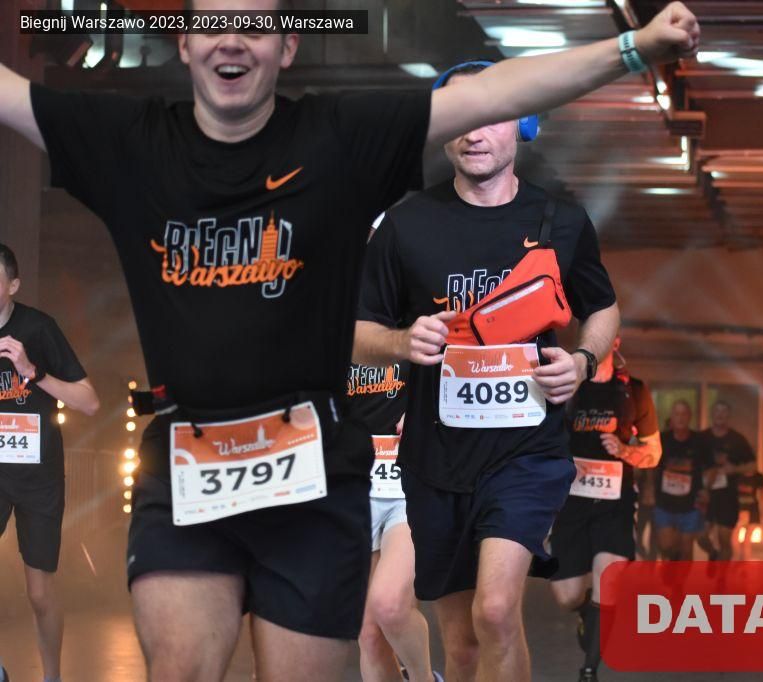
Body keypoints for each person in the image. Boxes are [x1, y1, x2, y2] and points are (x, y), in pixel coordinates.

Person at [0, 0, 700, 675]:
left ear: (288, 46)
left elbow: (497, 92)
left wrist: (634, 46)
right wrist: (402, 342)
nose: (232, 39)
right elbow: (13, 96)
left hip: (320, 471)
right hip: (195, 459)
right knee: (186, 666)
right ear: (183, 42)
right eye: (212, 23)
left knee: (465, 620)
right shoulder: (133, 142)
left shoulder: (336, 137)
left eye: (253, 26)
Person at [353, 53, 625, 680]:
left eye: (492, 114)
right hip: (435, 459)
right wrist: (401, 341)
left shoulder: (560, 222)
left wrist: (583, 360)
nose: (474, 132)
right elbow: (357, 335)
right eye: (461, 116)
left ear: (523, 124)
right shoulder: (406, 225)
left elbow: (604, 308)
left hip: (525, 453)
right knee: (462, 642)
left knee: (497, 611)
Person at [0, 244, 100, 682]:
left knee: (39, 593)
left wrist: (32, 371)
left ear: (13, 286)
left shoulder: (38, 328)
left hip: (38, 476)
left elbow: (90, 403)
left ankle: (52, 677)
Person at [548, 339, 661, 682]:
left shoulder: (633, 390)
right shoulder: (566, 385)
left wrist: (625, 451)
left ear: (615, 340)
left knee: (607, 581)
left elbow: (653, 453)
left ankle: (589, 670)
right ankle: (589, 613)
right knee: (567, 596)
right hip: (571, 504)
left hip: (616, 503)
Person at [348, 360, 439, 682]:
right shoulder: (329, 334)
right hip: (354, 487)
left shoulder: (416, 330)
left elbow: (458, 366)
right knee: (369, 635)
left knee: (389, 606)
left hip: (408, 487)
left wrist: (428, 411)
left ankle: (424, 679)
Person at [699, 401, 756, 561]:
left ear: (729, 415)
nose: (720, 415)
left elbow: (753, 465)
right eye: (717, 411)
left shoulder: (737, 439)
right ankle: (713, 554)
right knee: (701, 536)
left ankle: (721, 574)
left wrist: (735, 469)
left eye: (724, 411)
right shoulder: (702, 438)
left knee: (725, 539)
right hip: (705, 495)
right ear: (712, 413)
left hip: (728, 496)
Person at [651, 400, 707, 561]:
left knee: (686, 550)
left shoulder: (699, 441)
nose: (680, 418)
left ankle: (680, 578)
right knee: (667, 547)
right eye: (677, 414)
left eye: (684, 414)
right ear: (672, 417)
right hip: (664, 503)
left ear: (690, 416)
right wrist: (649, 489)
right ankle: (670, 569)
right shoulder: (661, 439)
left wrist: (706, 490)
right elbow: (650, 466)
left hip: (691, 504)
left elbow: (710, 468)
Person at [734, 468, 763, 561]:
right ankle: (739, 557)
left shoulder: (758, 477)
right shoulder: (737, 475)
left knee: (746, 536)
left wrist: (762, 509)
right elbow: (762, 494)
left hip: (752, 507)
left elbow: (762, 494)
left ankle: (743, 557)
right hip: (741, 507)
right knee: (738, 534)